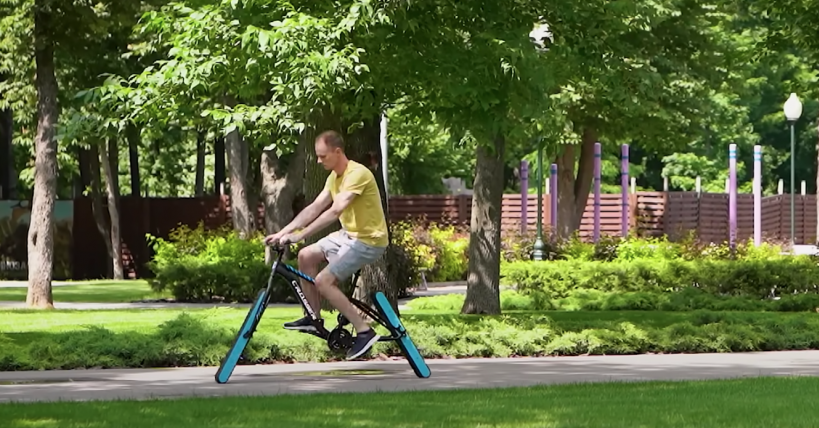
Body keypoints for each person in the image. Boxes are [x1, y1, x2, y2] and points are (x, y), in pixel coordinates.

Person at [264, 130, 389, 360]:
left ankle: (364, 330)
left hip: (369, 240)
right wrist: (284, 232)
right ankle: (314, 318)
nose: (319, 161)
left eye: (322, 156)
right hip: (347, 235)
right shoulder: (334, 177)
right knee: (306, 256)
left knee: (323, 281)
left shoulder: (357, 174)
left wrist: (300, 234)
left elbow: (334, 210)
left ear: (337, 151)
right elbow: (314, 207)